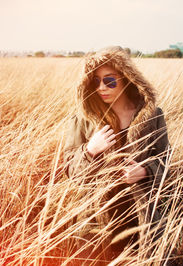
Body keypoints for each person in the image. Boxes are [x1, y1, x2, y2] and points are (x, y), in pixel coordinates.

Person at [63, 46, 173, 264]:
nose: (102, 87)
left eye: (109, 81)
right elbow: (69, 170)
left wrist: (144, 171)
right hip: (96, 222)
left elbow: (165, 161)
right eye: (96, 81)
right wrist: (90, 150)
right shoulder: (84, 119)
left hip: (141, 220)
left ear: (127, 78)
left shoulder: (152, 116)